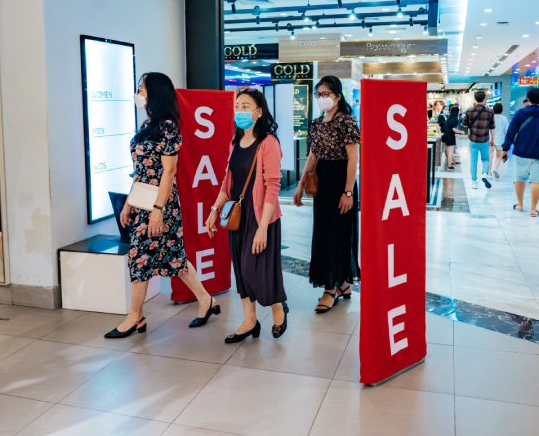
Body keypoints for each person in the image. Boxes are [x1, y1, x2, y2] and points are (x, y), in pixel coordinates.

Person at [106, 73, 217, 338]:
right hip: (142, 201)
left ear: (155, 93)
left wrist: (157, 211)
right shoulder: (148, 124)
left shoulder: (168, 126)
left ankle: (135, 316)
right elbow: (140, 170)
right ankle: (206, 300)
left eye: (142, 89)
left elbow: (169, 172)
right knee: (173, 256)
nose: (139, 94)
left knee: (141, 256)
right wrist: (128, 203)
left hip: (159, 205)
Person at [206, 87, 288, 342]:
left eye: (245, 106)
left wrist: (262, 228)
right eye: (237, 106)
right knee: (241, 270)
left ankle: (277, 306)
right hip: (238, 215)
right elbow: (227, 182)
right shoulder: (235, 141)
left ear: (259, 112)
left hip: (261, 216)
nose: (239, 111)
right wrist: (214, 211)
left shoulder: (268, 142)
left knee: (258, 269)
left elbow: (273, 186)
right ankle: (249, 321)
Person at [293, 76, 361, 314]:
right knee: (323, 233)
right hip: (321, 182)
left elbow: (353, 158)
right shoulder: (315, 123)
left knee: (338, 234)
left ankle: (330, 288)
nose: (321, 98)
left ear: (338, 96)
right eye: (318, 94)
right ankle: (341, 284)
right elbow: (312, 156)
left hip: (341, 181)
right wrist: (300, 185)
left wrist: (348, 192)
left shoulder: (347, 121)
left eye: (325, 94)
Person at [502, 87, 539, 217]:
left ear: (528, 99)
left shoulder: (520, 113)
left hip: (522, 151)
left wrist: (505, 148)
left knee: (520, 177)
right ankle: (533, 209)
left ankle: (520, 204)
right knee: (537, 180)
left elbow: (511, 132)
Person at [463, 90, 495, 189]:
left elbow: (465, 124)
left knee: (473, 161)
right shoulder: (490, 111)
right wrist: (493, 139)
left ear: (474, 99)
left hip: (473, 139)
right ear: (484, 99)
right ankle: (485, 173)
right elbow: (492, 127)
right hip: (484, 139)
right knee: (485, 159)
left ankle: (474, 182)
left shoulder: (469, 110)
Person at [439, 106, 464, 170]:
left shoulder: (449, 118)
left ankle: (450, 162)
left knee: (448, 150)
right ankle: (449, 165)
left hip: (445, 135)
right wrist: (461, 131)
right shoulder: (454, 119)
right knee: (451, 151)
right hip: (450, 136)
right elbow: (454, 129)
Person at [489, 103, 509, 178]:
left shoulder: (490, 117)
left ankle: (489, 173)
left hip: (491, 140)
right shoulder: (504, 118)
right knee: (498, 156)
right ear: (502, 110)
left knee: (490, 157)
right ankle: (496, 168)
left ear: (493, 109)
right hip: (500, 141)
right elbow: (507, 130)